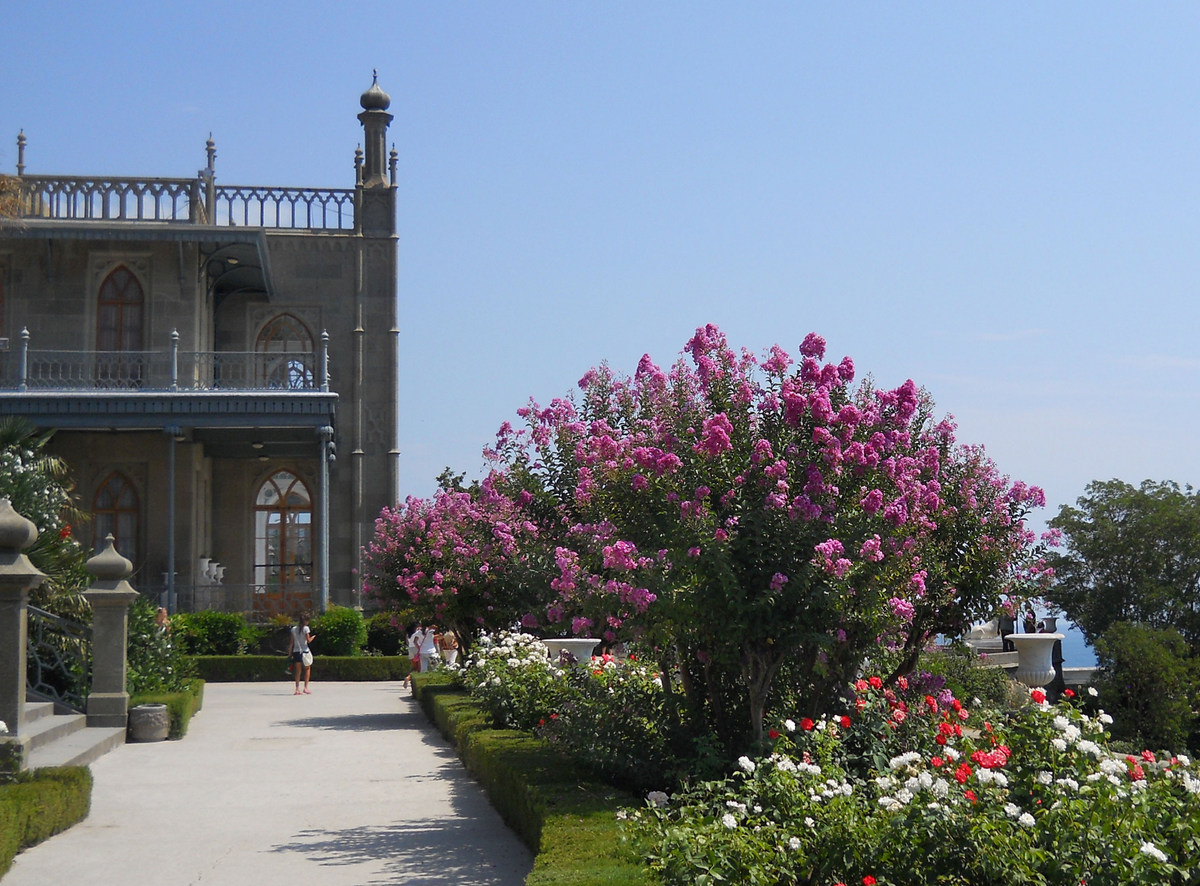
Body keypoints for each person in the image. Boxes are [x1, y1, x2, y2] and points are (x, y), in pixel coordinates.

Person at [287, 613, 317, 695]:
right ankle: (306, 687)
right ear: (306, 621)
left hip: (296, 651)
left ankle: (297, 689)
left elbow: (291, 643)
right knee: (307, 668)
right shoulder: (306, 629)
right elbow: (308, 640)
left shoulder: (294, 629)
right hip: (305, 651)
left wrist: (289, 653)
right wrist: (313, 637)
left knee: (298, 671)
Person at [403, 622, 421, 690]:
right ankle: (415, 682)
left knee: (414, 667)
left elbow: (407, 642)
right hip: (416, 648)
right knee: (419, 668)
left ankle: (408, 677)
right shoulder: (418, 632)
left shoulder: (408, 634)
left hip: (410, 649)